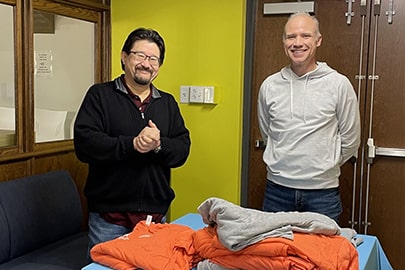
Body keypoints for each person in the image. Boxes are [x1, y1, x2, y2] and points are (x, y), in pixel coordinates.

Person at [74, 27, 191, 258]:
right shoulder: (99, 95)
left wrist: (158, 145)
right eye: (140, 56)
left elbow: (182, 149)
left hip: (154, 217)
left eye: (153, 59)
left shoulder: (167, 103)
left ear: (159, 65)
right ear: (124, 56)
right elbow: (85, 144)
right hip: (109, 218)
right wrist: (132, 145)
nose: (146, 64)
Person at [257, 12, 360, 223]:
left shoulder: (338, 84)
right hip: (277, 191)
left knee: (322, 255)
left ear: (318, 40)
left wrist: (323, 166)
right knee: (274, 254)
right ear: (284, 41)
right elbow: (268, 134)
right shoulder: (270, 86)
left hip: (322, 194)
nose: (297, 43)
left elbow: (351, 140)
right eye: (291, 36)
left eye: (305, 36)